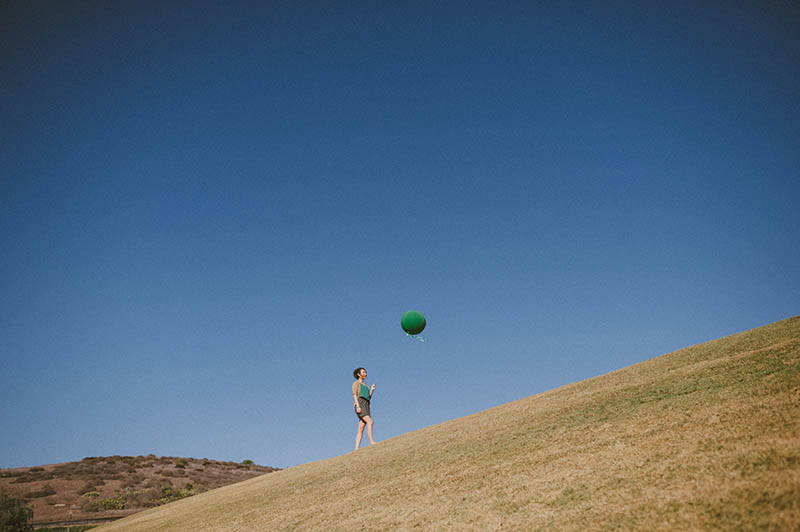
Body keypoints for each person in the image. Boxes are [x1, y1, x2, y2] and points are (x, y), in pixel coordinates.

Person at [352, 367, 376, 450]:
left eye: (365, 372)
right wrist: (358, 406)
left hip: (366, 405)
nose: (365, 373)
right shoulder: (356, 384)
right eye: (363, 372)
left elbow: (368, 398)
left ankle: (356, 448)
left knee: (361, 427)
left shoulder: (366, 386)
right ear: (359, 374)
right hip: (360, 404)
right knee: (370, 422)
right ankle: (372, 441)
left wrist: (372, 390)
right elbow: (355, 395)